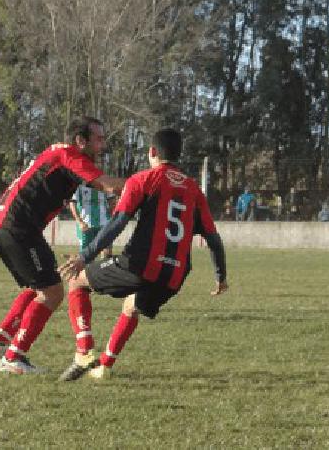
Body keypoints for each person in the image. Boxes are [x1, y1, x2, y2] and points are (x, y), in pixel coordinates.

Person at [55, 128, 229, 381]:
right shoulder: (194, 190)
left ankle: (84, 350)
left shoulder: (143, 180)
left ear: (152, 152)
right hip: (174, 275)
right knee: (131, 306)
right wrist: (220, 276)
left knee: (75, 280)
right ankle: (103, 366)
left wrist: (85, 257)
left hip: (139, 265)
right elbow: (213, 239)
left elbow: (117, 224)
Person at [0, 117, 126, 374]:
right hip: (18, 229)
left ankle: (1, 339)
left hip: (0, 226)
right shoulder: (70, 155)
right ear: (81, 141)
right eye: (99, 139)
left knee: (38, 285)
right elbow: (106, 185)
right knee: (52, 292)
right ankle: (14, 356)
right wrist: (146, 185)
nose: (103, 145)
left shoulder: (59, 153)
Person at [69, 183, 115, 260]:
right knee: (85, 256)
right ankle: (84, 271)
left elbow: (112, 202)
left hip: (104, 224)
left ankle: (104, 271)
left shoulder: (104, 184)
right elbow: (72, 203)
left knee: (107, 253)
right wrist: (79, 221)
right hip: (86, 225)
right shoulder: (79, 186)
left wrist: (110, 218)